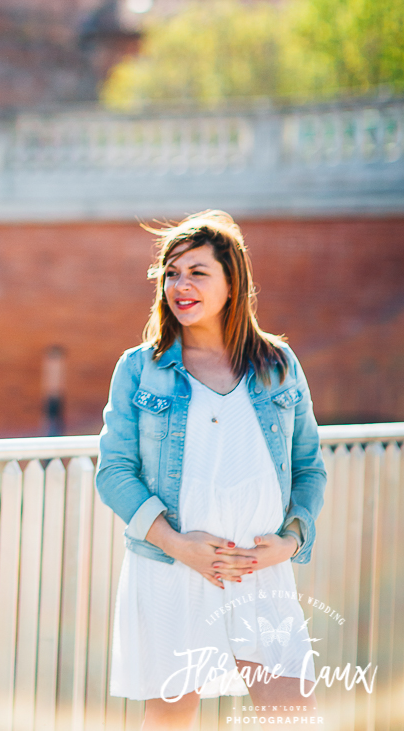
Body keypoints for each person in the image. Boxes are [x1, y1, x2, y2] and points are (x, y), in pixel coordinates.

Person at [95, 210, 327, 729]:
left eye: (197, 272)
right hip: (174, 568)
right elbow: (114, 473)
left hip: (259, 568)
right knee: (172, 718)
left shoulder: (278, 364)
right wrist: (178, 545)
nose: (181, 285)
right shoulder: (140, 368)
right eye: (171, 273)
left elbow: (310, 468)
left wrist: (289, 544)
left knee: (292, 712)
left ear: (232, 283)